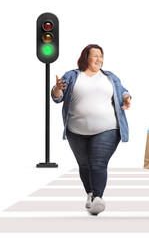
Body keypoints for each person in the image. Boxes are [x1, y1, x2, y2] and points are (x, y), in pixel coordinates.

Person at [51, 44, 131, 215]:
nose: (99, 59)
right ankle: (90, 194)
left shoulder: (110, 77)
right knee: (84, 165)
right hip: (76, 130)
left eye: (101, 56)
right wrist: (57, 88)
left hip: (107, 129)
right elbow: (57, 98)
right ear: (85, 57)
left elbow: (123, 91)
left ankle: (98, 198)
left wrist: (126, 97)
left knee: (97, 163)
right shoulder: (72, 76)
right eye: (95, 56)